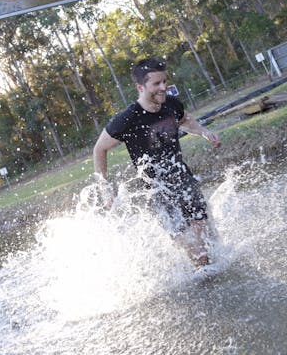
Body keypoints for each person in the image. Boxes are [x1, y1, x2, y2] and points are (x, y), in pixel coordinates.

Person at [93, 58, 221, 266]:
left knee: (208, 241)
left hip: (184, 181)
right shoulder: (128, 118)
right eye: (157, 84)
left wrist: (204, 132)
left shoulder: (170, 104)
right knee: (198, 255)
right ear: (140, 87)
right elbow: (99, 149)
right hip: (158, 191)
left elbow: (185, 120)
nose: (164, 87)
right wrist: (105, 189)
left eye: (164, 81)